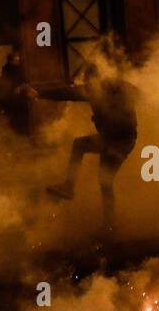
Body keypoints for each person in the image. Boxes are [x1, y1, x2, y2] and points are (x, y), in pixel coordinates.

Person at [41, 63, 138, 230]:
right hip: (115, 139)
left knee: (83, 150)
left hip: (119, 141)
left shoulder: (104, 88)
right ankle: (109, 224)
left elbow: (67, 93)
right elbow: (67, 92)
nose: (86, 85)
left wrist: (38, 93)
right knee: (104, 181)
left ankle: (70, 187)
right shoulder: (116, 86)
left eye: (87, 81)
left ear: (93, 79)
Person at [0, 51, 36, 136]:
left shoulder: (17, 72)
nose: (17, 63)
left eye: (18, 61)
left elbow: (24, 85)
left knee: (19, 128)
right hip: (12, 106)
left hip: (19, 105)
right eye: (16, 61)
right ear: (10, 61)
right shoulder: (8, 73)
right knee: (15, 128)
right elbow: (8, 89)